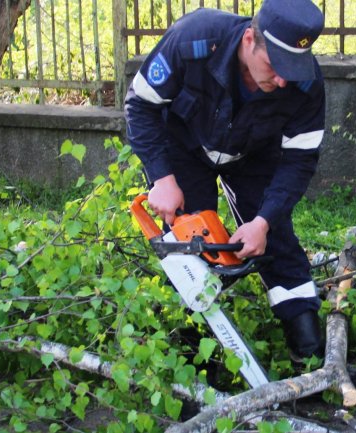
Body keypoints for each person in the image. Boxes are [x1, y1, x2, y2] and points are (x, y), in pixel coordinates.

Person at [124, 0, 326, 361]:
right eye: (275, 66)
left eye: (292, 69)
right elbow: (140, 104)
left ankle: (310, 354)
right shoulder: (193, 40)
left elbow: (299, 160)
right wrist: (161, 177)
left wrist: (262, 222)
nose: (282, 80)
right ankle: (196, 363)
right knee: (193, 245)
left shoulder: (306, 85)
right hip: (184, 149)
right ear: (250, 39)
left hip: (253, 155)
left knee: (275, 239)